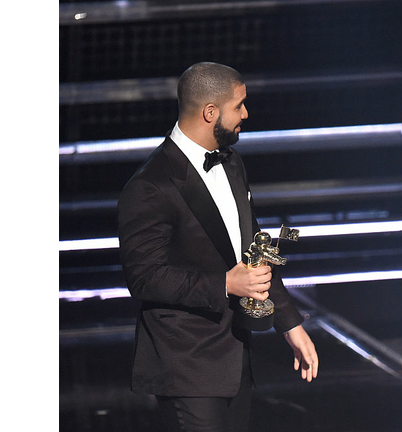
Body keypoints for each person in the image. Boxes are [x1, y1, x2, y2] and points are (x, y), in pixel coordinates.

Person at [118, 62, 319, 432]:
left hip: (235, 357)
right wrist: (224, 284)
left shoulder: (232, 164)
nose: (246, 113)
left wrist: (289, 323)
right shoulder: (150, 186)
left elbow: (254, 249)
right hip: (186, 364)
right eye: (239, 106)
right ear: (210, 113)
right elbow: (144, 277)